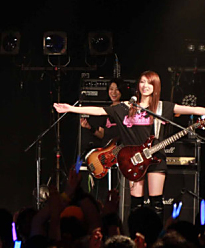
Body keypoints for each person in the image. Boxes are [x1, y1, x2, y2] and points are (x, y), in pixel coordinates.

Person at [54, 70, 205, 218]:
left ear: (156, 87)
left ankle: (156, 232)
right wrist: (71, 108)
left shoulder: (162, 107)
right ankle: (135, 230)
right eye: (142, 82)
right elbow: (100, 110)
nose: (145, 86)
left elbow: (192, 109)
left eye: (149, 83)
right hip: (134, 159)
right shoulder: (126, 107)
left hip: (156, 158)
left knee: (157, 203)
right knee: (136, 203)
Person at [81, 78, 125, 146]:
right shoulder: (105, 110)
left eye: (117, 89)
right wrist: (89, 127)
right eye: (111, 89)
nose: (113, 92)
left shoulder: (126, 108)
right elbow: (101, 135)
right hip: (108, 149)